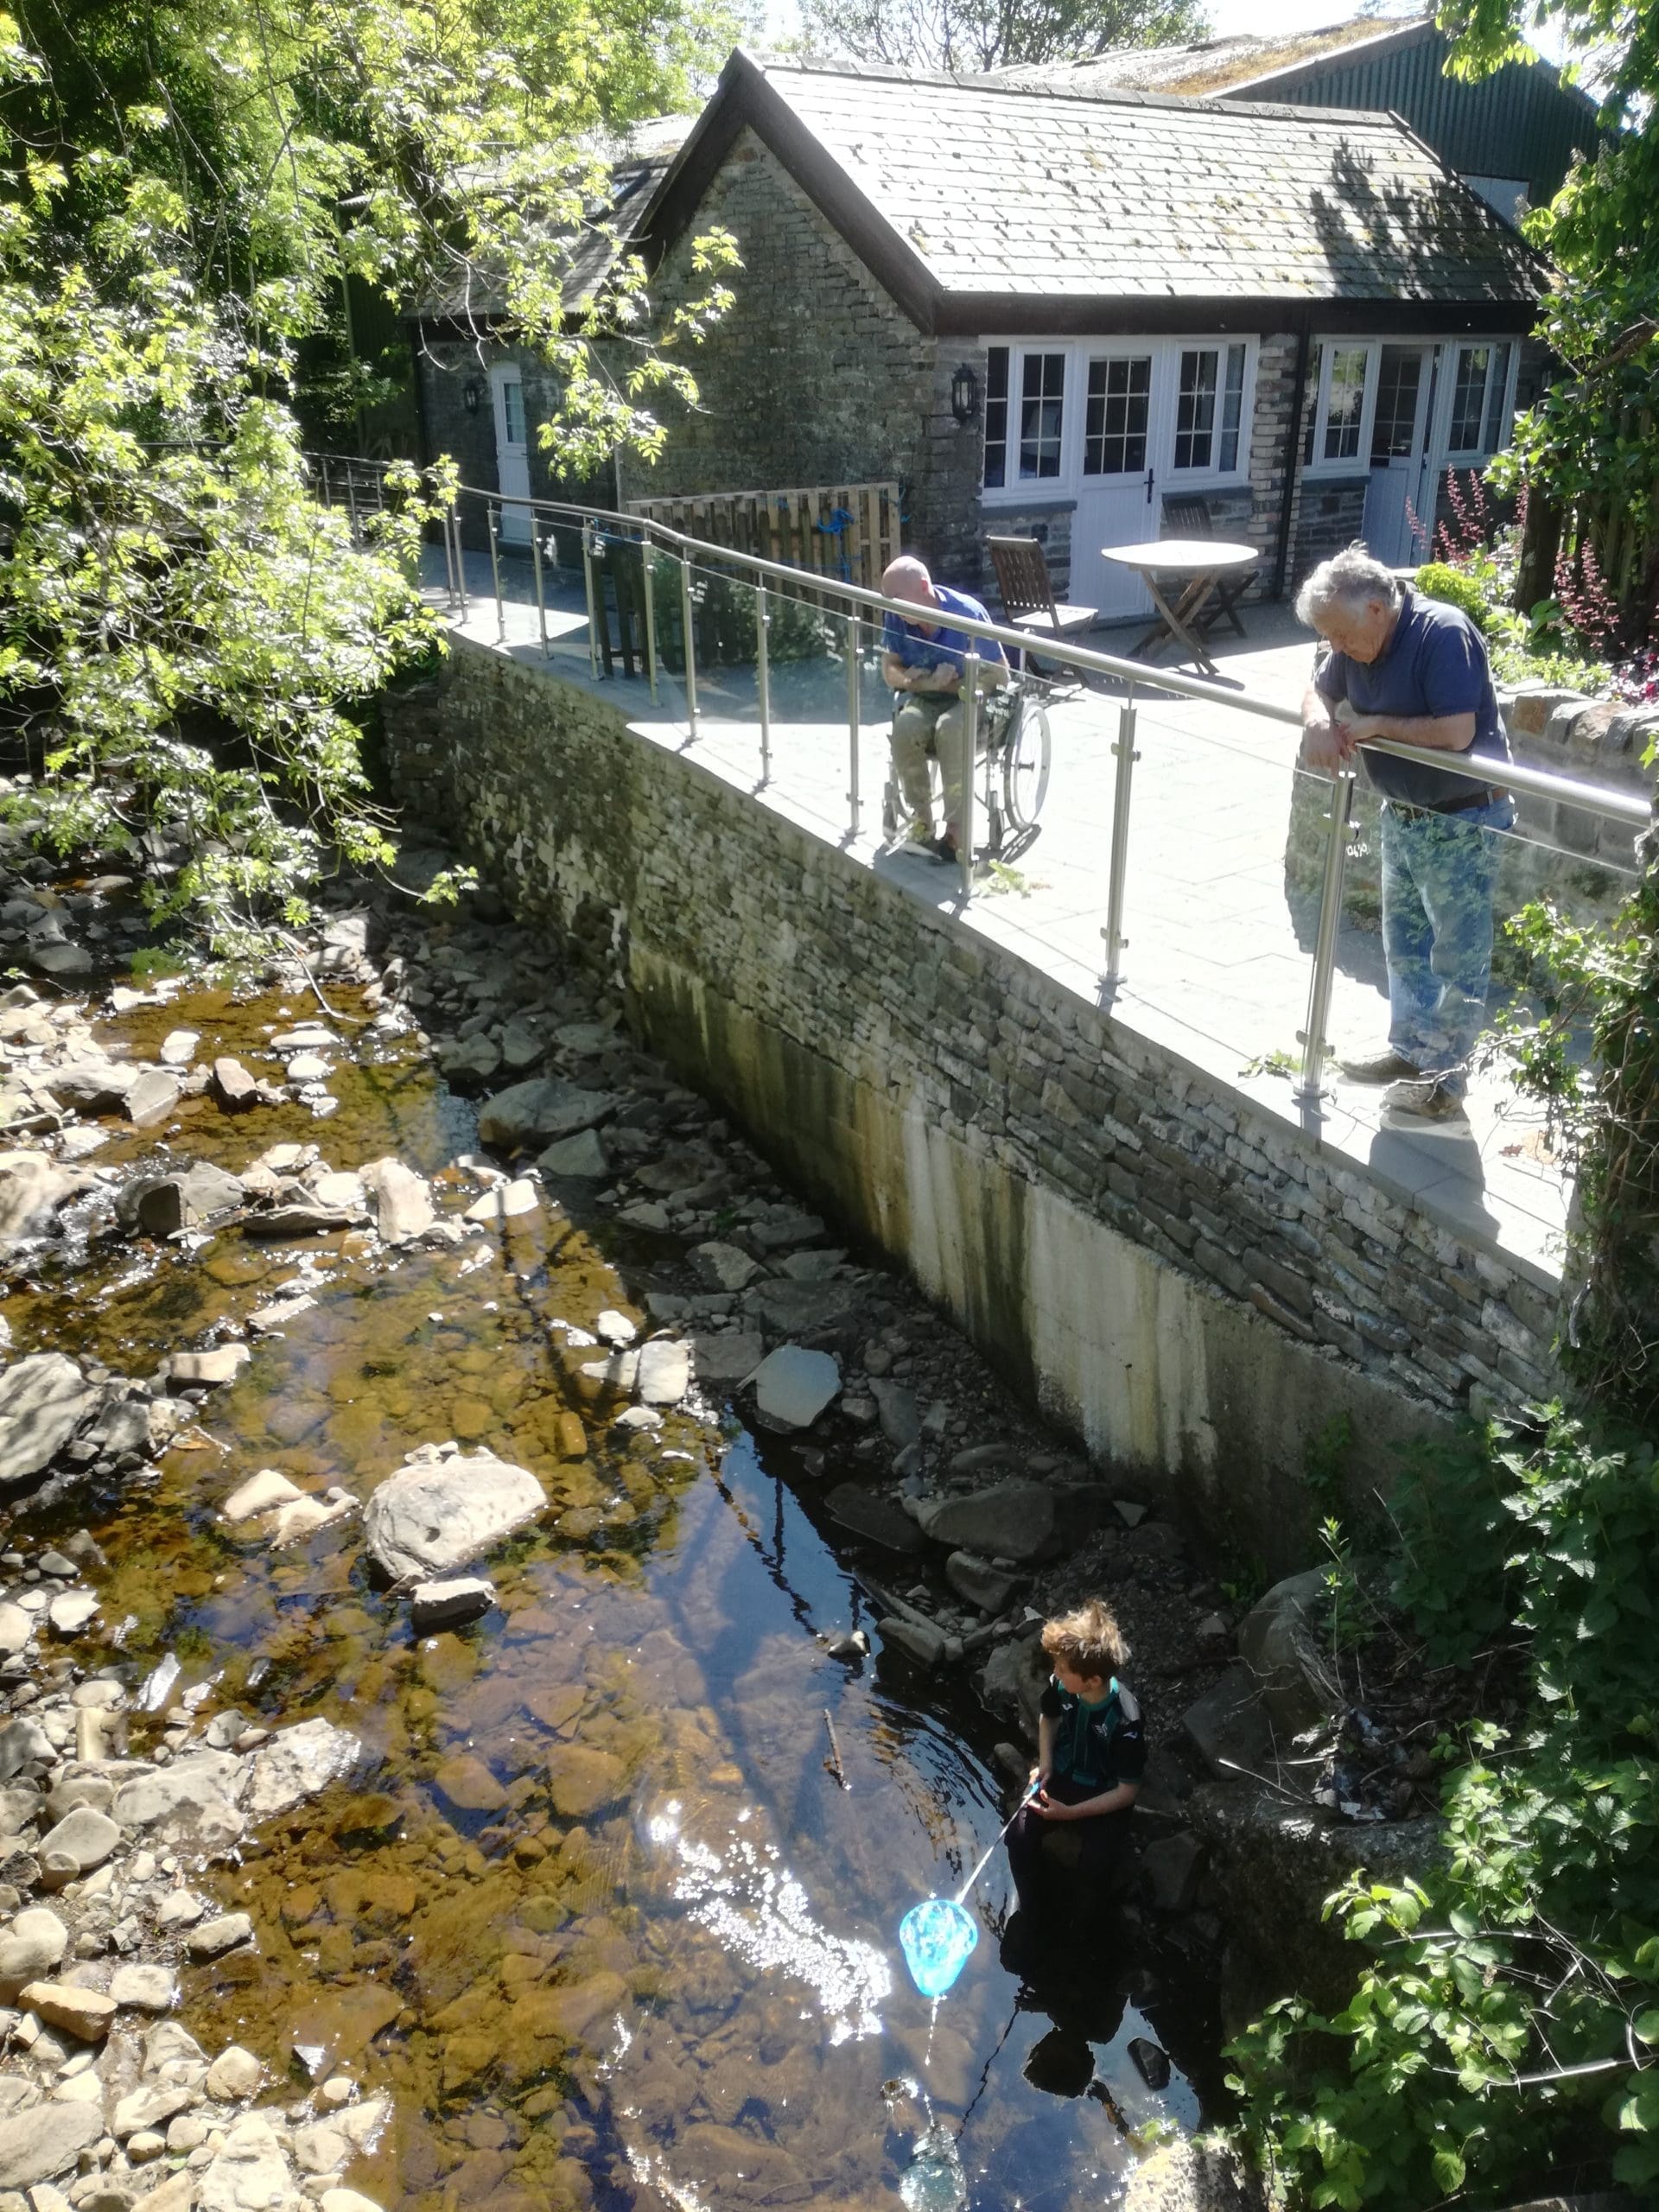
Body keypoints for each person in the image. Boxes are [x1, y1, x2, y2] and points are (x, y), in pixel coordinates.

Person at [1297, 544, 1516, 1124]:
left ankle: (1445, 1083)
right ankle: (1410, 1051)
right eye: (1330, 638)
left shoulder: (1442, 633)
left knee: (1458, 955)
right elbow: (1319, 687)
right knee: (1405, 942)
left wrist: (1374, 725)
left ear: (1376, 608)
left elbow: (1456, 731)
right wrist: (1318, 719)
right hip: (1405, 813)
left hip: (1463, 817)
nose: (1337, 647)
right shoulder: (1355, 641)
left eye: (1342, 635)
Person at [1006, 1598, 1144, 1943]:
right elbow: (1048, 1717)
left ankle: (1082, 1928)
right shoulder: (1060, 1686)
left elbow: (1127, 1791)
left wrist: (1069, 1814)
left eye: (1063, 1668)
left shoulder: (1126, 1721)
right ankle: (1033, 1909)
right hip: (1065, 1774)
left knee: (1096, 1865)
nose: (1055, 1671)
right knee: (1018, 1836)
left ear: (1092, 1680)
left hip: (1104, 1793)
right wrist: (1046, 1763)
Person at [880, 555, 1007, 864]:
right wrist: (918, 683)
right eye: (887, 600)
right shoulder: (898, 617)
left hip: (968, 698)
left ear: (924, 587)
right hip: (925, 696)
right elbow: (889, 668)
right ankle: (921, 820)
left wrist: (953, 685)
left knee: (950, 728)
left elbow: (1000, 675)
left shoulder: (967, 614)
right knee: (905, 727)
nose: (891, 608)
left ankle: (956, 831)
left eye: (896, 599)